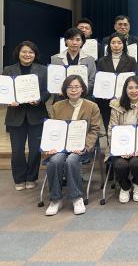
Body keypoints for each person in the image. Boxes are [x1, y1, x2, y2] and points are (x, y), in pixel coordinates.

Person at [44, 75, 101, 216]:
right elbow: (53, 129)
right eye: (70, 87)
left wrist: (85, 146)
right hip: (61, 146)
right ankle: (56, 199)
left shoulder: (92, 106)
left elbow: (95, 130)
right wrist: (51, 146)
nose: (73, 90)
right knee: (54, 161)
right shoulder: (57, 106)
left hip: (82, 147)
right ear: (65, 90)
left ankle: (77, 197)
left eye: (76, 87)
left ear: (82, 89)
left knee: (71, 160)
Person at [2, 41, 49, 191]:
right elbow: (3, 90)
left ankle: (31, 177)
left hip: (37, 115)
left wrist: (39, 99)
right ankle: (19, 178)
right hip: (15, 115)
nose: (27, 55)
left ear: (35, 54)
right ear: (18, 53)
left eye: (31, 52)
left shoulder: (43, 70)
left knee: (35, 150)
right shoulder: (8, 70)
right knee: (17, 150)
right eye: (24, 52)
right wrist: (8, 100)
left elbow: (47, 91)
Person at [106, 76, 138, 203]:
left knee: (136, 163)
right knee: (120, 165)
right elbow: (111, 130)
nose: (134, 91)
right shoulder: (116, 105)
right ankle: (125, 186)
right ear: (125, 90)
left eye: (137, 87)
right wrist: (121, 149)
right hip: (120, 146)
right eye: (130, 88)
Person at [96, 32, 138, 128]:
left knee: (125, 128)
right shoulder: (102, 61)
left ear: (124, 45)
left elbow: (136, 79)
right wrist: (102, 93)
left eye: (119, 43)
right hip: (106, 101)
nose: (116, 45)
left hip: (125, 100)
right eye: (113, 43)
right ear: (109, 45)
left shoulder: (131, 60)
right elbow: (98, 81)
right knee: (109, 127)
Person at [51, 28, 96, 96]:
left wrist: (82, 91)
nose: (74, 43)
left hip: (83, 97)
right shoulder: (55, 59)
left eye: (78, 40)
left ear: (82, 42)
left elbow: (92, 80)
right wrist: (59, 90)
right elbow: (52, 79)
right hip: (61, 96)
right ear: (66, 41)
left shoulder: (90, 60)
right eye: (71, 39)